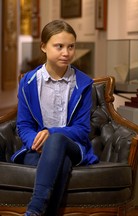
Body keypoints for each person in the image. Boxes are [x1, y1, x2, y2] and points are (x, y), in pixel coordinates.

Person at [11, 20, 98, 216]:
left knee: (57, 140)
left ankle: (33, 210)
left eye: (71, 47)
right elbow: (24, 125)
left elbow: (82, 130)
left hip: (74, 146)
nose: (66, 52)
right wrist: (37, 141)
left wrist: (50, 133)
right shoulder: (29, 81)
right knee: (61, 162)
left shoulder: (83, 83)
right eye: (59, 46)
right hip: (37, 148)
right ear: (43, 47)